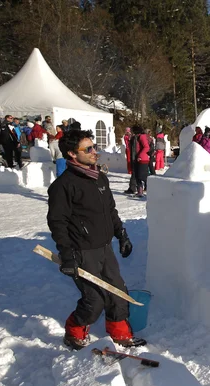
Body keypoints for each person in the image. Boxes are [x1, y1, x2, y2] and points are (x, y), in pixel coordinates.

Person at [47, 129, 145, 350]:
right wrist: (67, 255)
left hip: (104, 247)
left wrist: (121, 235)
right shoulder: (63, 186)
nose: (95, 152)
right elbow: (57, 223)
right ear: (72, 154)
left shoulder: (99, 177)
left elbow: (110, 210)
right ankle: (74, 332)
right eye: (88, 149)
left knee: (118, 292)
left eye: (95, 147)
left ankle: (119, 334)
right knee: (94, 299)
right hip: (81, 250)